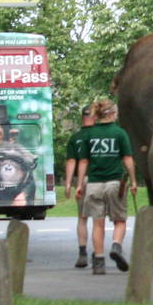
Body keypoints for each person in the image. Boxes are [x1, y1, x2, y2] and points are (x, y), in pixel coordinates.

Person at [74, 96, 138, 275]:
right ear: (111, 114)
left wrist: (80, 184)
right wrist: (133, 180)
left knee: (97, 224)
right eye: (116, 112)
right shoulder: (119, 133)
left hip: (94, 184)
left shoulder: (89, 134)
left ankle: (99, 261)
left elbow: (84, 161)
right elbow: (127, 158)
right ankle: (116, 246)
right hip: (114, 183)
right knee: (120, 220)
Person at [63, 102, 97, 268]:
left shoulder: (75, 138)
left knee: (82, 218)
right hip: (100, 178)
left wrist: (69, 183)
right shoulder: (101, 135)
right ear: (95, 117)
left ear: (82, 118)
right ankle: (98, 253)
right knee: (99, 219)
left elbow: (71, 161)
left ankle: (82, 253)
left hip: (81, 181)